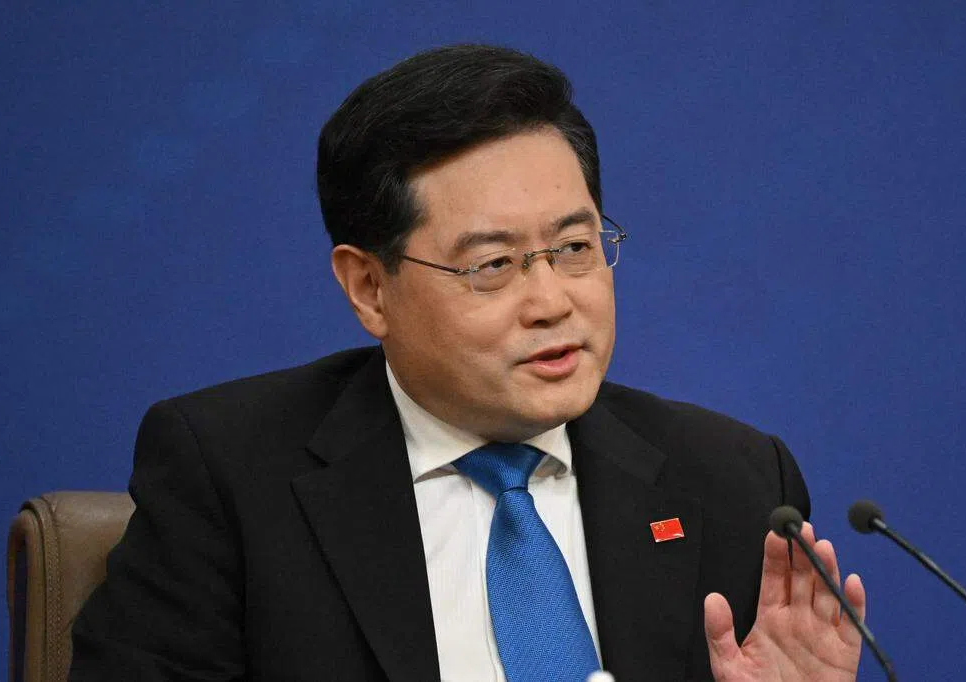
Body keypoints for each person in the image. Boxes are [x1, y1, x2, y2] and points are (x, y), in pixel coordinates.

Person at [70, 44, 865, 681]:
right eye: (492, 265)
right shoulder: (230, 475)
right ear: (369, 287)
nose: (551, 301)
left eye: (575, 248)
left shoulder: (733, 480)